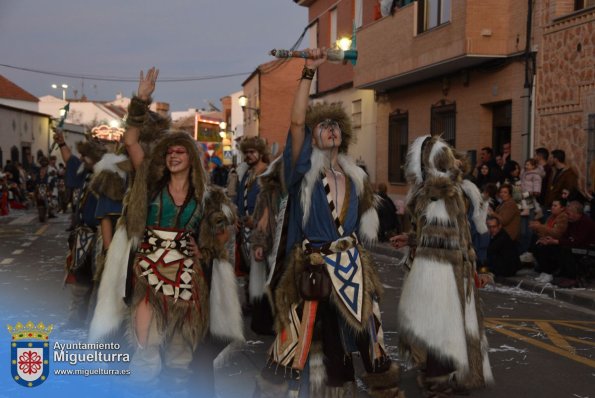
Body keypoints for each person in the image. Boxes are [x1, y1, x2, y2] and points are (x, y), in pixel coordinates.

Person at [255, 49, 402, 398]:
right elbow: (294, 123)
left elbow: (365, 221)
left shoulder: (356, 176)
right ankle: (289, 390)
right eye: (322, 125)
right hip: (313, 265)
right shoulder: (302, 173)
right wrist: (308, 73)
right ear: (312, 137)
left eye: (335, 125)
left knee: (367, 333)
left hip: (352, 265)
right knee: (305, 336)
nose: (330, 129)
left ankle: (370, 386)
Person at [88, 68, 243, 395]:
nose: (173, 155)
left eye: (180, 151)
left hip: (188, 279)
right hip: (148, 275)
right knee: (145, 351)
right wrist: (141, 100)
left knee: (180, 359)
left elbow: (225, 232)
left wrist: (209, 248)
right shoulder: (151, 184)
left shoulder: (207, 197)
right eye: (169, 151)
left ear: (192, 159)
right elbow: (130, 140)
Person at [391, 130, 493, 396]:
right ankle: (443, 380)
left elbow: (443, 236)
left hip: (446, 270)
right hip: (446, 270)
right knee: (446, 327)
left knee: (443, 327)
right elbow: (442, 237)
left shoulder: (441, 192)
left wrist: (415, 241)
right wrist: (413, 239)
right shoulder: (443, 191)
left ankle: (442, 379)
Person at [54, 130, 106, 327]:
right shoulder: (84, 171)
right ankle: (76, 319)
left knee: (102, 281)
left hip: (103, 235)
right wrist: (61, 143)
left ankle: (100, 323)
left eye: (87, 156)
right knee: (80, 280)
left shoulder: (110, 177)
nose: (82, 159)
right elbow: (70, 160)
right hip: (84, 233)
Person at [532, 201, 595, 286]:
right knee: (544, 245)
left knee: (564, 249)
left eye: (569, 214)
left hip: (586, 249)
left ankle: (571, 277)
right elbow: (565, 236)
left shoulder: (586, 222)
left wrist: (556, 241)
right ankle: (548, 271)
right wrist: (551, 240)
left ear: (576, 213)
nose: (567, 216)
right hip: (574, 245)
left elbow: (577, 242)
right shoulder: (571, 221)